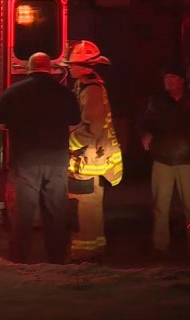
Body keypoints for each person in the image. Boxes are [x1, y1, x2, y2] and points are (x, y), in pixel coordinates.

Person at [0, 52, 81, 264]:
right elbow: (74, 125)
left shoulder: (13, 92)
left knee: (23, 212)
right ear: (50, 69)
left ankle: (20, 259)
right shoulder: (65, 93)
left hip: (25, 161)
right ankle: (57, 258)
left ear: (28, 69)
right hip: (56, 160)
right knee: (55, 211)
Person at [139, 62, 190, 256]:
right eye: (165, 78)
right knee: (160, 206)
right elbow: (147, 121)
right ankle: (160, 246)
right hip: (163, 158)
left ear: (181, 80)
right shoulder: (157, 101)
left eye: (171, 78)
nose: (167, 81)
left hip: (188, 159)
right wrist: (146, 133)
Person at [62, 40, 123, 263]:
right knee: (90, 208)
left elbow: (93, 128)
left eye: (73, 64)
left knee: (83, 209)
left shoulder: (92, 90)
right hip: (91, 159)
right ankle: (95, 249)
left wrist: (67, 143)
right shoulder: (86, 86)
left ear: (86, 65)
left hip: (87, 162)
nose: (69, 67)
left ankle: (84, 254)